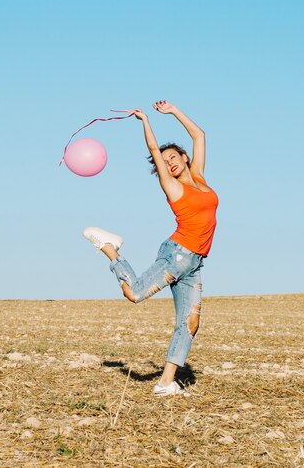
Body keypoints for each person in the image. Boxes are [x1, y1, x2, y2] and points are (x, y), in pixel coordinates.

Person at [82, 100, 219, 396]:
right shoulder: (173, 187)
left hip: (194, 262)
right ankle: (110, 249)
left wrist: (174, 111)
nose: (169, 162)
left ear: (184, 158)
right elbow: (155, 152)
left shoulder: (199, 178)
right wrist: (146, 121)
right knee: (134, 294)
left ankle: (165, 382)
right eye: (165, 160)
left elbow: (200, 136)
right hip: (176, 255)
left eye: (174, 157)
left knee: (190, 323)